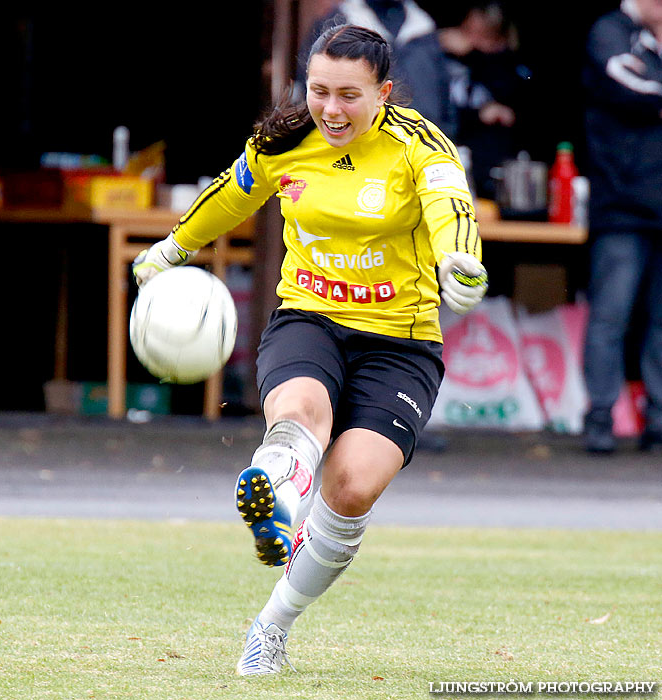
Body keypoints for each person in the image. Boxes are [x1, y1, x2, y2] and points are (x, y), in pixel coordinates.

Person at [133, 24, 488, 674]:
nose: (331, 108)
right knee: (299, 414)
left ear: (382, 92)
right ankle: (277, 491)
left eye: (349, 95)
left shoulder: (418, 143)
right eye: (319, 91)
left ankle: (272, 623)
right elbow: (230, 193)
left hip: (401, 343)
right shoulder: (284, 142)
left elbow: (450, 205)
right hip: (310, 316)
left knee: (351, 488)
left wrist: (459, 261)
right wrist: (171, 248)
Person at [581, 0, 662, 453]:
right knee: (612, 313)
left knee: (661, 320)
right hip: (623, 200)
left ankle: (658, 418)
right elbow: (623, 84)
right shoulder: (611, 29)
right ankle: (599, 415)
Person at [296, 0, 458, 140]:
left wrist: (446, 136)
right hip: (358, 147)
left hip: (422, 143)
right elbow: (311, 90)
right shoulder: (337, 26)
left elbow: (444, 94)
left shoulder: (423, 29)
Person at [438, 1, 532, 200]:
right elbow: (436, 111)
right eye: (467, 31)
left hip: (495, 171)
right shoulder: (442, 59)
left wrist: (475, 55)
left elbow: (514, 99)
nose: (470, 40)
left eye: (482, 35)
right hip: (450, 160)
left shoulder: (507, 67)